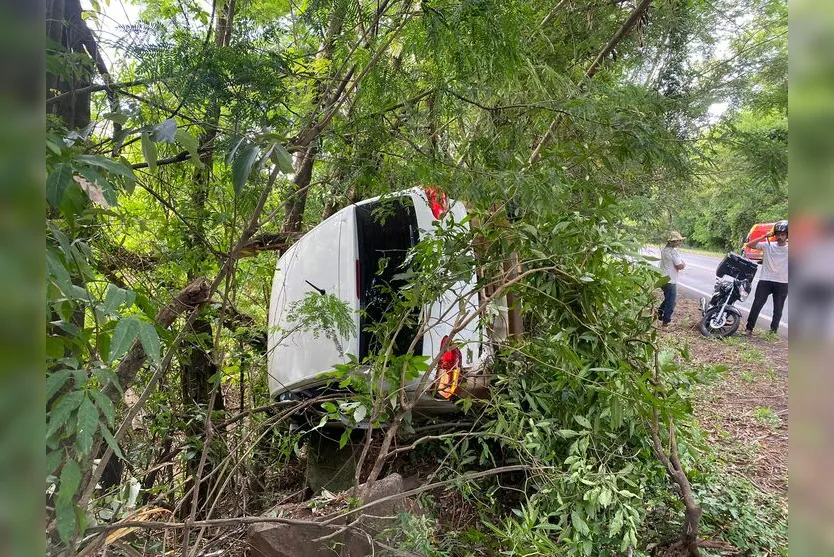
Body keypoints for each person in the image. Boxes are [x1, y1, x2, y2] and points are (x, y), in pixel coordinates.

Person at [744, 220, 788, 336]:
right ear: (774, 235)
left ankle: (773, 331)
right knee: (757, 305)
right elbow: (749, 245)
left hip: (782, 282)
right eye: (778, 234)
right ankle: (749, 329)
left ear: (787, 235)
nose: (780, 237)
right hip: (765, 280)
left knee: (778, 309)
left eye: (783, 234)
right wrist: (764, 236)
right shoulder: (767, 246)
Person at [658, 231, 686, 327]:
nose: (679, 243)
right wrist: (683, 264)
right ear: (672, 242)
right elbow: (679, 266)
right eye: (678, 241)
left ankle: (659, 313)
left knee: (668, 298)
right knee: (671, 301)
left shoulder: (664, 251)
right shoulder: (673, 252)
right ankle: (666, 321)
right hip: (670, 280)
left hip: (662, 278)